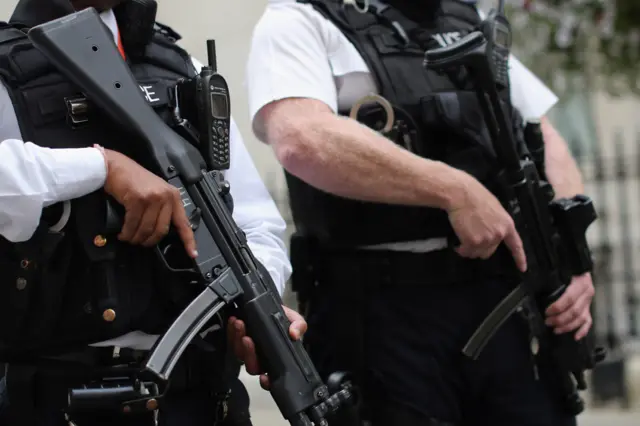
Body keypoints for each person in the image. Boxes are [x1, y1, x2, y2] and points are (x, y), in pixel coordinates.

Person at [243, 0, 596, 425]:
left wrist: (572, 261)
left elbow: (541, 136)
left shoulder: (465, 18)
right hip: (380, 315)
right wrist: (452, 190)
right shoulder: (300, 20)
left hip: (504, 303)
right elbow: (301, 136)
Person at [0, 0, 307, 425]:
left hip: (204, 396)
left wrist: (255, 307)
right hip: (63, 399)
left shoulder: (180, 66)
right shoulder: (7, 68)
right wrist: (101, 167)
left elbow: (255, 221)